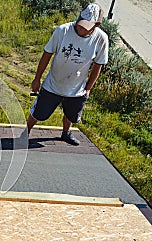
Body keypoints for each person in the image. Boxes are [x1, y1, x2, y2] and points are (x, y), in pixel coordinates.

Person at [27, 3, 109, 145]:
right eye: (80, 24)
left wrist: (88, 88)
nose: (81, 29)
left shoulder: (101, 39)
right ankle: (26, 132)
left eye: (86, 27)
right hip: (53, 84)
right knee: (38, 112)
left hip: (77, 88)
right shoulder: (62, 30)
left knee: (71, 114)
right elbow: (47, 54)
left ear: (97, 24)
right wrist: (37, 79)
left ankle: (66, 133)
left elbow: (98, 65)